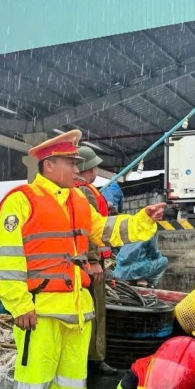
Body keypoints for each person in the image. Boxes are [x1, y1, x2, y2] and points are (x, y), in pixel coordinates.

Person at [0, 129, 166, 389]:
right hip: (39, 313)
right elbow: (6, 261)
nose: (77, 168)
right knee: (32, 387)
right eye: (70, 162)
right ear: (49, 164)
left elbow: (106, 231)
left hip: (77, 312)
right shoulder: (21, 201)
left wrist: (143, 220)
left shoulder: (78, 202)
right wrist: (19, 305)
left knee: (72, 385)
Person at [73, 145, 117, 376]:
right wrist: (93, 260)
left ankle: (86, 356)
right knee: (95, 310)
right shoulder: (86, 192)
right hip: (89, 262)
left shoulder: (78, 191)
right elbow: (87, 229)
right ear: (90, 168)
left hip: (81, 261)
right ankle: (94, 358)